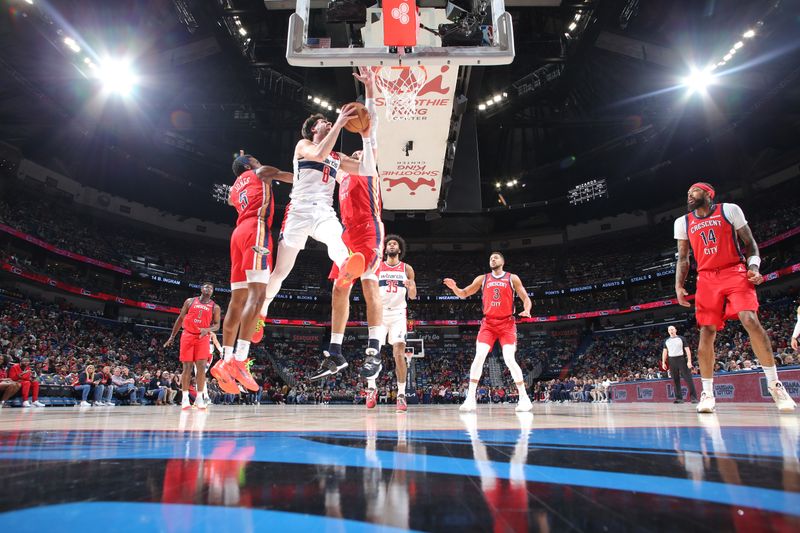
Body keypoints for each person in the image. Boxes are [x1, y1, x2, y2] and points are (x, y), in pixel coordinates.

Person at [252, 99, 381, 364]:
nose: (329, 123)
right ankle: (262, 310)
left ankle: (347, 263)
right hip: (298, 212)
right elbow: (320, 154)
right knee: (281, 272)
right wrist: (342, 124)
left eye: (329, 121)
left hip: (323, 211)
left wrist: (367, 136)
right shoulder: (305, 145)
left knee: (338, 244)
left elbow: (367, 169)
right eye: (324, 122)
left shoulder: (337, 157)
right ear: (313, 129)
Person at [674, 182, 795, 412]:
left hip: (735, 271)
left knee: (749, 319)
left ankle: (775, 385)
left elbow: (750, 244)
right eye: (688, 192)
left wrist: (755, 267)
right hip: (706, 278)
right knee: (706, 331)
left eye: (695, 191)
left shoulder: (729, 210)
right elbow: (683, 258)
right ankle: (708, 394)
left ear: (708, 194)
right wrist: (679, 286)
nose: (689, 194)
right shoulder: (682, 222)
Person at [312, 67, 387, 387]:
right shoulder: (343, 174)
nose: (353, 153)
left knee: (369, 283)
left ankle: (374, 351)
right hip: (347, 233)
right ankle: (336, 350)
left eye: (357, 150)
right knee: (339, 288)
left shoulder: (368, 166)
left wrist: (370, 88)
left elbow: (371, 123)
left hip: (370, 229)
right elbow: (325, 154)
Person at [443, 252, 533, 412]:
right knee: (479, 356)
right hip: (488, 324)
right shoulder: (482, 278)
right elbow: (464, 294)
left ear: (503, 262)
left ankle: (524, 398)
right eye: (491, 258)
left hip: (507, 323)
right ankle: (470, 398)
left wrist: (527, 309)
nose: (493, 259)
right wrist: (454, 288)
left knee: (509, 359)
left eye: (496, 257)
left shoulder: (512, 278)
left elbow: (525, 297)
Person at [373, 235, 417, 412]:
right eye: (389, 243)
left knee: (398, 353)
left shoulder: (407, 268)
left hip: (399, 314)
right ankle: (371, 389)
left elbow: (413, 295)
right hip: (379, 313)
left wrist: (410, 286)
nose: (391, 245)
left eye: (394, 244)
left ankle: (400, 394)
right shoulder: (377, 266)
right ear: (385, 249)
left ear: (399, 250)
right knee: (373, 351)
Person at [165, 282, 221, 410]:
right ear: (201, 289)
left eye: (211, 288)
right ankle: (185, 399)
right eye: (206, 287)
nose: (208, 289)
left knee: (201, 368)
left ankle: (199, 398)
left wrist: (207, 330)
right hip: (188, 335)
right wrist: (172, 336)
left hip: (203, 337)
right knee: (187, 367)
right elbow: (180, 318)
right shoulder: (190, 301)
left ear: (212, 292)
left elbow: (217, 325)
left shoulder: (215, 307)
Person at [661, 325, 699, 404]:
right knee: (675, 380)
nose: (671, 331)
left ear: (676, 330)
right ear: (668, 332)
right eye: (669, 330)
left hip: (681, 359)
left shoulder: (681, 338)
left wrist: (689, 361)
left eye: (672, 329)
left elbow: (687, 350)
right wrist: (663, 362)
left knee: (688, 379)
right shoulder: (666, 341)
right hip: (671, 360)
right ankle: (679, 398)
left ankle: (694, 398)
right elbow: (665, 352)